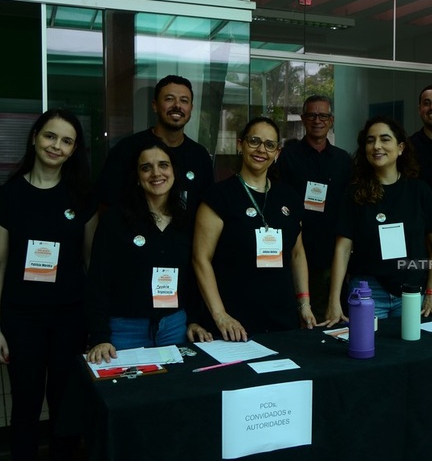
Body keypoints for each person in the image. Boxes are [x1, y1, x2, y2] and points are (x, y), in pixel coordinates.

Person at [0, 109, 97, 460]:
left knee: (65, 404)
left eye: (66, 141)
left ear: (74, 149)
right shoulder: (10, 195)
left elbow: (91, 263)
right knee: (25, 404)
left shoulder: (82, 197)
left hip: (70, 317)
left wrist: (96, 323)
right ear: (35, 136)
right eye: (50, 136)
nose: (56, 146)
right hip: (22, 318)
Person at [86, 142, 211, 364]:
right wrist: (100, 337)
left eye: (163, 165)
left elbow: (192, 278)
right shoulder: (115, 220)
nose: (156, 173)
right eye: (146, 167)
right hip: (125, 330)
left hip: (175, 327)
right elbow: (98, 280)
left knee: (175, 384)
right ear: (137, 176)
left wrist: (194, 320)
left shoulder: (187, 220)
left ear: (173, 172)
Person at [193, 116, 316, 341]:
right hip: (234, 324)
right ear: (240, 145)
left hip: (283, 319)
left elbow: (297, 254)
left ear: (277, 153)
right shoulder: (219, 197)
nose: (261, 150)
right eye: (254, 141)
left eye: (269, 145)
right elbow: (201, 259)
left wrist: (304, 304)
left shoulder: (289, 197)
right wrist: (220, 315)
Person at [325, 116, 432, 323]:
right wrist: (333, 300)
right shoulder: (355, 193)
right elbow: (342, 249)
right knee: (366, 343)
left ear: (401, 148)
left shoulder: (419, 190)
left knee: (410, 343)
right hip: (367, 291)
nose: (376, 146)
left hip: (411, 291)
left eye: (385, 139)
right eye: (370, 140)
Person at [276, 95, 351, 320]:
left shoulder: (343, 160)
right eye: (312, 115)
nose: (317, 120)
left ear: (331, 120)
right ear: (303, 118)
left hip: (333, 254)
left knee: (333, 316)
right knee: (302, 317)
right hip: (297, 252)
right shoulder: (288, 157)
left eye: (323, 115)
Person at [95, 75, 214, 216]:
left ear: (191, 108)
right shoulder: (127, 149)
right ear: (155, 105)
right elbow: (106, 205)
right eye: (169, 99)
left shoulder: (200, 156)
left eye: (184, 101)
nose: (177, 105)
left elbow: (207, 211)